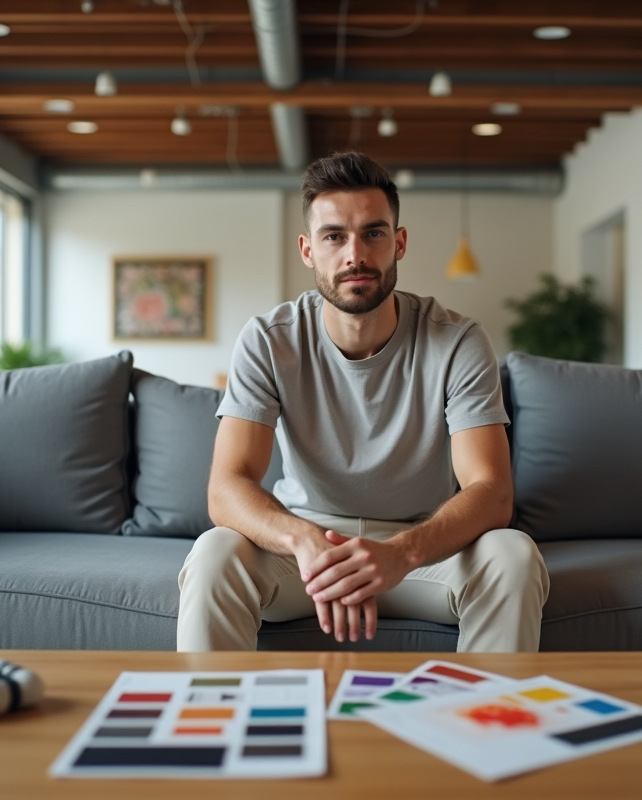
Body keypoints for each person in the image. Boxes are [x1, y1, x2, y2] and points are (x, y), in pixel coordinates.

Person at [177, 152, 549, 652]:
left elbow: (492, 491)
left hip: (422, 552)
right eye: (334, 236)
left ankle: (483, 724)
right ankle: (211, 725)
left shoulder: (458, 340)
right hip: (307, 553)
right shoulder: (269, 339)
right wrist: (302, 542)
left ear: (398, 243)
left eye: (373, 233)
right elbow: (226, 488)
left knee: (513, 554)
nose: (355, 254)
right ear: (308, 250)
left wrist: (401, 552)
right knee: (215, 550)